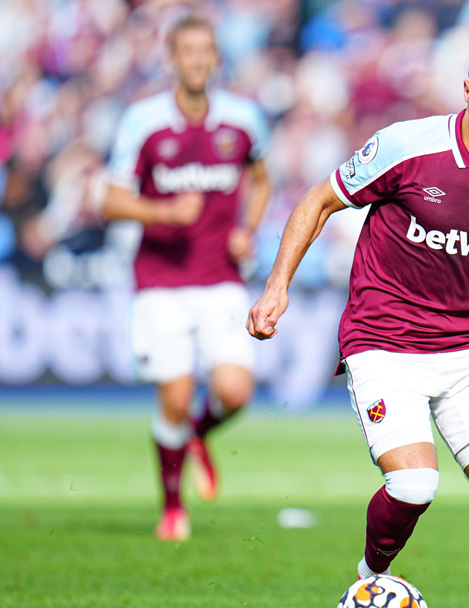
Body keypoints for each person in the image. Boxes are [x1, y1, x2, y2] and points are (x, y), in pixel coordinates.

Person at [248, 40, 469, 608]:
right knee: (414, 486)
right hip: (383, 341)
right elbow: (320, 201)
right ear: (466, 91)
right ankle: (369, 578)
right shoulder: (407, 145)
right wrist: (277, 287)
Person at [102, 15, 272, 542]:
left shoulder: (244, 119)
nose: (197, 60)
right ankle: (173, 507)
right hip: (160, 280)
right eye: (187, 51)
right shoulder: (142, 122)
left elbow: (262, 180)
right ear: (172, 59)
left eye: (206, 51)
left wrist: (247, 228)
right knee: (173, 398)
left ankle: (197, 437)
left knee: (235, 391)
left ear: (217, 59)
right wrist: (164, 214)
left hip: (220, 277)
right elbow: (110, 200)